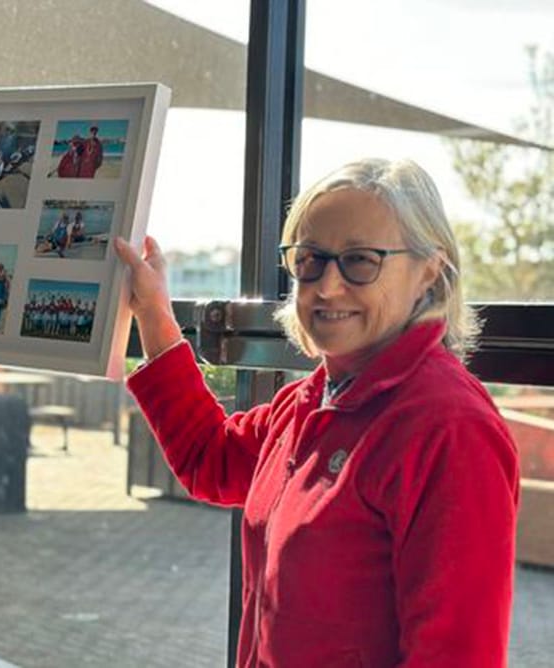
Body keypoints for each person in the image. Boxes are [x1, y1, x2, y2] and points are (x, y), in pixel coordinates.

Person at [113, 158, 519, 667]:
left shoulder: (449, 428)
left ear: (428, 273)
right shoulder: (310, 402)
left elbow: (459, 657)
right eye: (310, 259)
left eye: (360, 261)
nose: (327, 286)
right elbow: (208, 458)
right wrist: (153, 312)